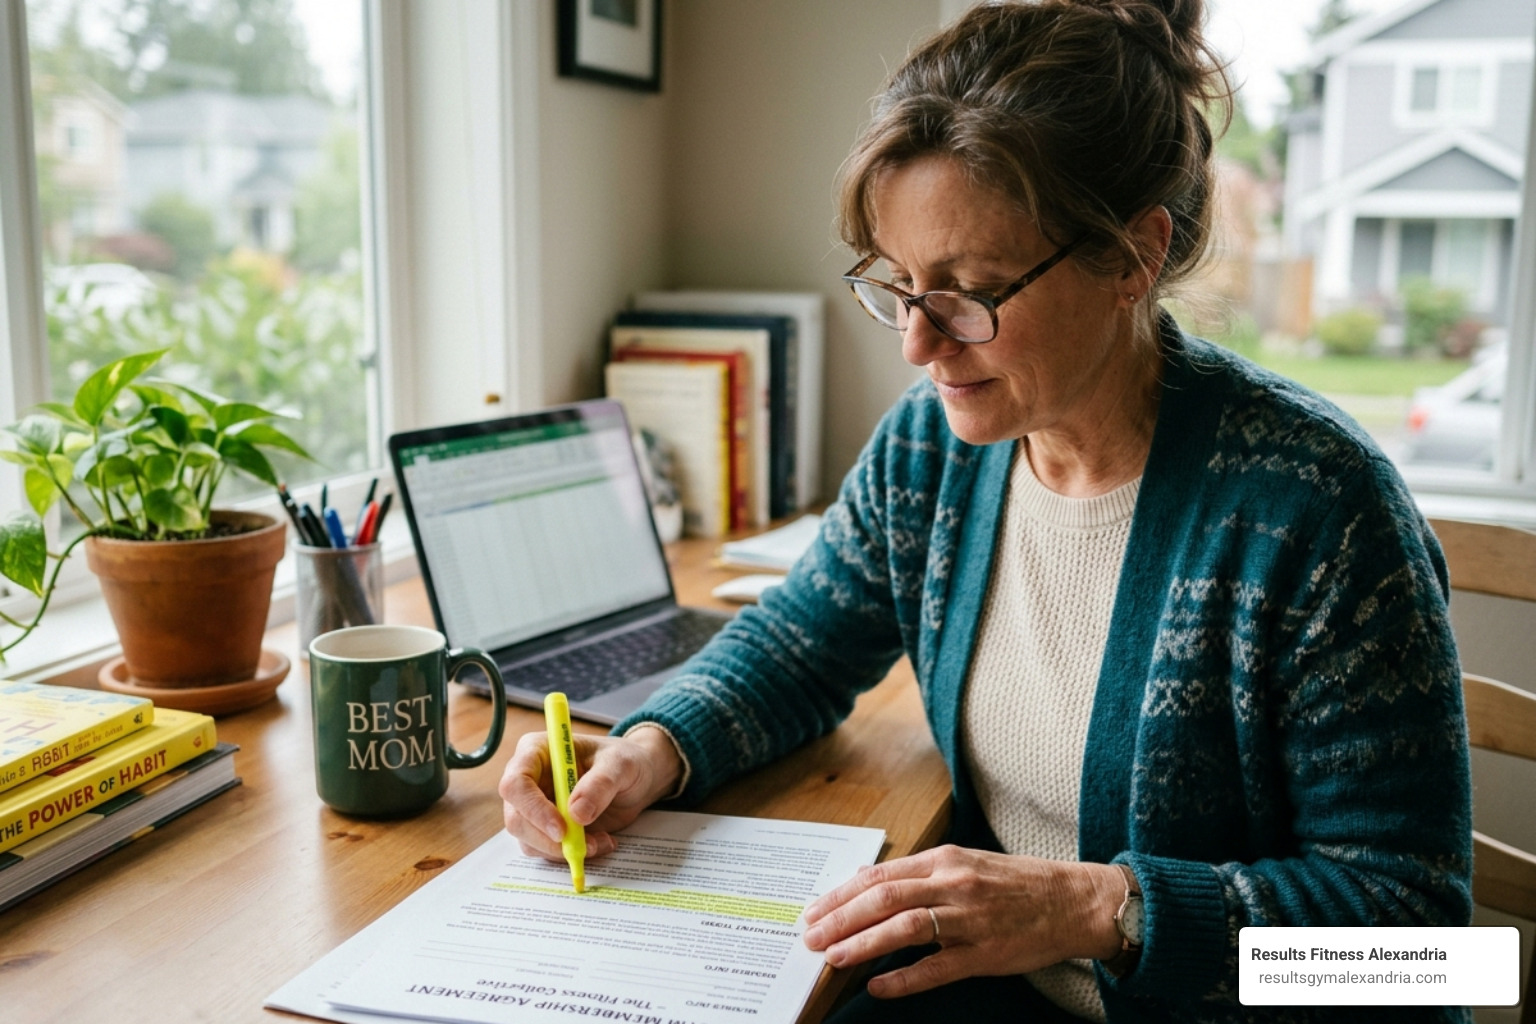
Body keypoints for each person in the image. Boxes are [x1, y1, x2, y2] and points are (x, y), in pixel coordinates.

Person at [501, 1, 1473, 1021]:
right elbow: (801, 642)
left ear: (1134, 257)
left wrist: (1104, 910)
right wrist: (647, 751)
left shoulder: (1320, 512)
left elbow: (1423, 953)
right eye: (902, 285)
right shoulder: (933, 449)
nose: (919, 347)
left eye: (970, 293)